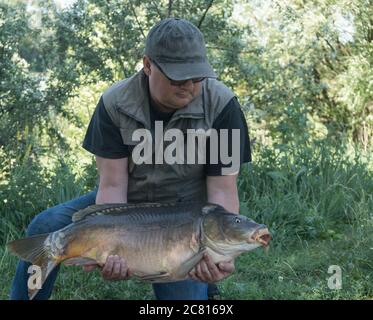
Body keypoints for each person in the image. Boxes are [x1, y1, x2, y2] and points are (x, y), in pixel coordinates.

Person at [10, 18, 251, 300]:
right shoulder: (114, 104)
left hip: (186, 217)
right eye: (177, 76)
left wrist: (223, 256)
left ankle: (203, 284)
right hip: (128, 204)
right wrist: (110, 246)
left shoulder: (223, 106)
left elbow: (222, 190)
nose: (189, 85)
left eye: (197, 76)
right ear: (148, 65)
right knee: (45, 226)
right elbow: (112, 186)